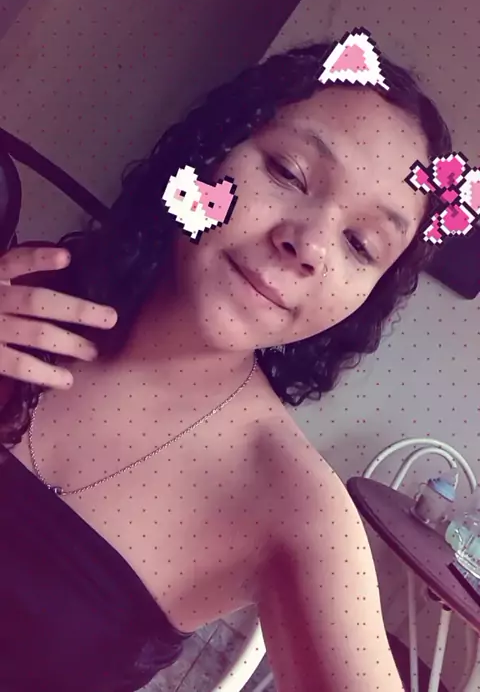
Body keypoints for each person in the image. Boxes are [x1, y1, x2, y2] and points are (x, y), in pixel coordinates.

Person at [0, 38, 452, 692]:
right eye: (288, 173)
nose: (309, 245)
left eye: (360, 244)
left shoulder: (297, 511)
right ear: (212, 150)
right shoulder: (30, 289)